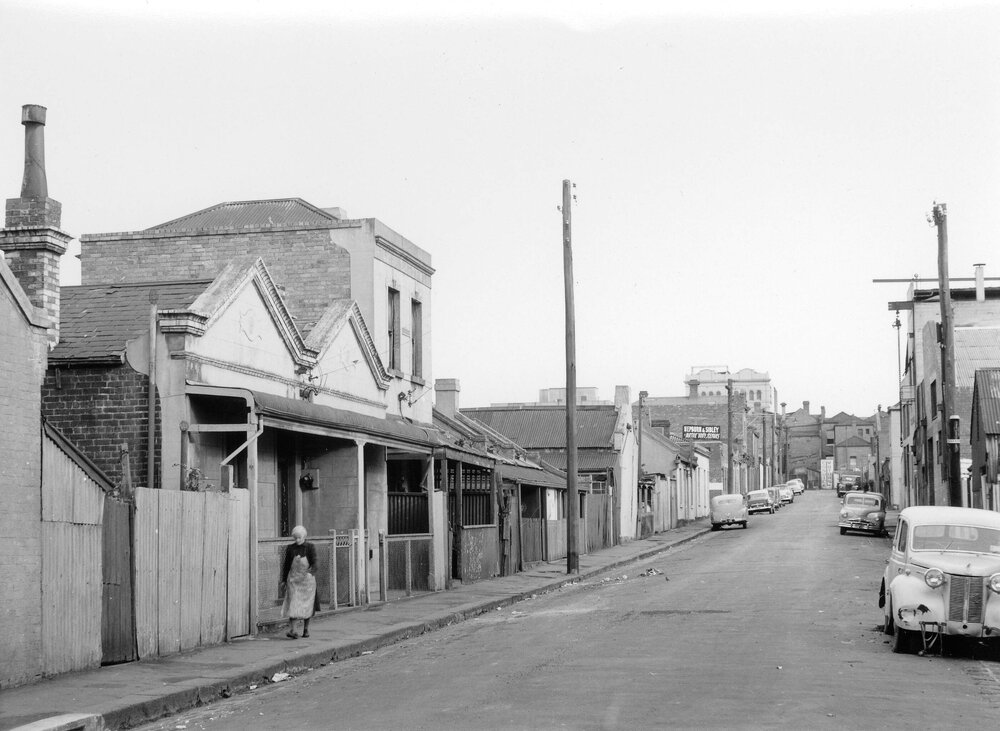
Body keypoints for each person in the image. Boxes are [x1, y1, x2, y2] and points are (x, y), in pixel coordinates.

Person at [280, 525, 320, 638]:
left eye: (299, 537)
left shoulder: (310, 547)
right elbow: (286, 565)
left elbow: (315, 562)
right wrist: (283, 580)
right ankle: (293, 630)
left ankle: (306, 630)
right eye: (295, 537)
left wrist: (311, 572)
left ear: (304, 536)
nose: (297, 540)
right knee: (292, 604)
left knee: (307, 605)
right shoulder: (290, 548)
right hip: (293, 580)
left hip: (307, 581)